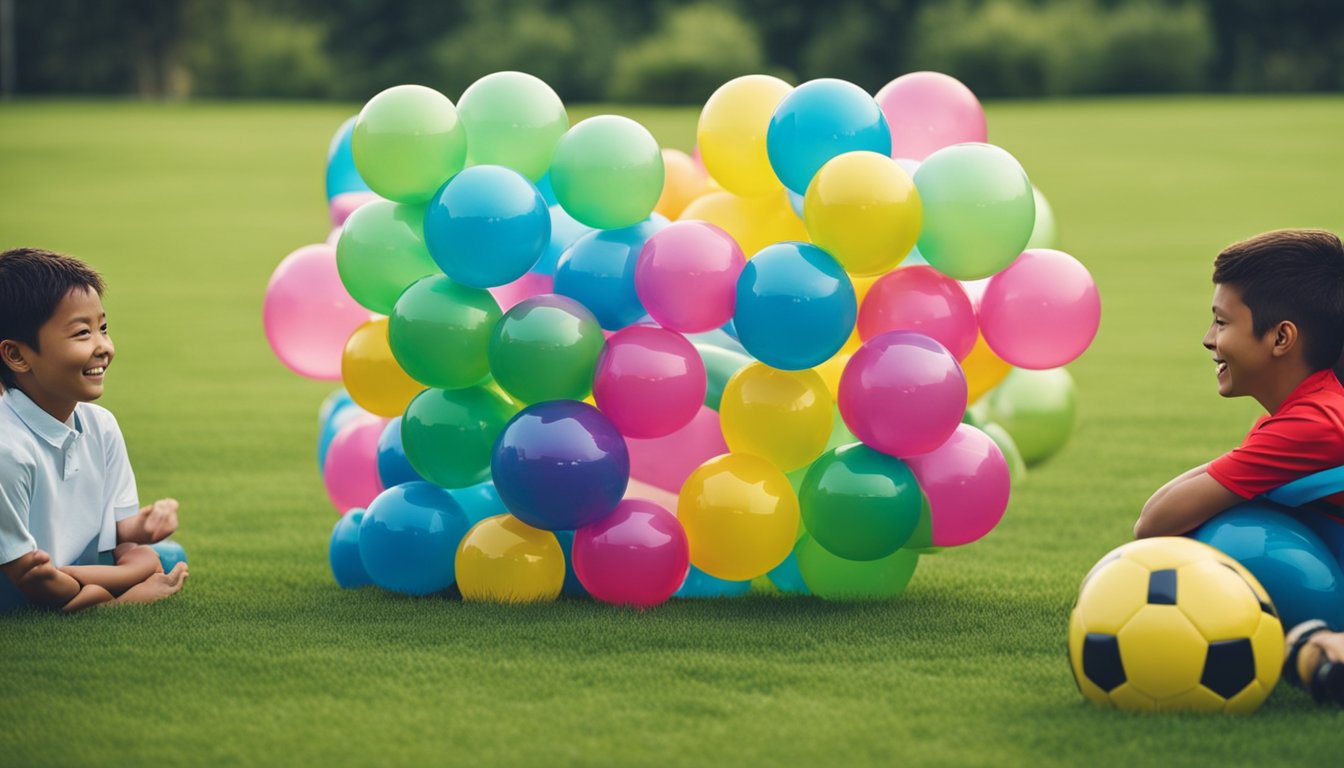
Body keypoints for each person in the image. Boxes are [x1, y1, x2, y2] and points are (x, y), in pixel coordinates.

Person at [1131, 229, 1344, 703]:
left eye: (1222, 323)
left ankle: (1316, 647)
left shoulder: (1315, 425)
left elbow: (1154, 523)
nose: (1208, 339)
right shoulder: (1313, 411)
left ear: (1281, 337)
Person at [0, 247, 188, 612]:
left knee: (162, 555)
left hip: (65, 568)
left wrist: (142, 528)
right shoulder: (8, 450)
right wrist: (126, 595)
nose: (103, 347)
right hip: (14, 577)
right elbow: (30, 578)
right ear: (17, 356)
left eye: (103, 328)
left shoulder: (100, 425)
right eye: (82, 333)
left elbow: (119, 535)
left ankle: (96, 585)